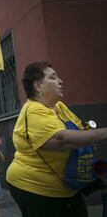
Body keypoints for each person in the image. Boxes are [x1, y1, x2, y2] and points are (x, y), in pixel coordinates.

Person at [6, 61, 107, 217]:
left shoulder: (58, 107)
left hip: (66, 187)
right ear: (38, 86)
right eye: (53, 78)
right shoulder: (32, 110)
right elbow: (61, 140)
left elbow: (80, 129)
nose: (60, 81)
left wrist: (86, 137)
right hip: (34, 187)